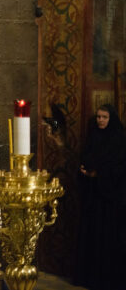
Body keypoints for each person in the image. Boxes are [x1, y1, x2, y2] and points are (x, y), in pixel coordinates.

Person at [75, 104, 126, 290]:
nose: (100, 120)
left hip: (110, 200)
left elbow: (119, 168)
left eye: (104, 117)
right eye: (98, 117)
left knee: (108, 240)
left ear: (111, 119)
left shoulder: (119, 139)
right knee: (93, 237)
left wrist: (99, 174)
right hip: (93, 198)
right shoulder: (94, 135)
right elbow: (87, 156)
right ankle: (90, 279)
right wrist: (84, 170)